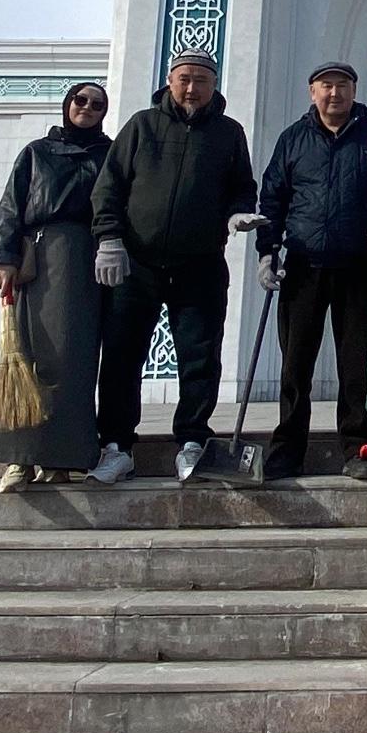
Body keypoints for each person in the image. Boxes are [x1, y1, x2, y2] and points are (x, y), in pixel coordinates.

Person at [90, 52, 264, 486]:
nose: (192, 88)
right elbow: (109, 186)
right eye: (185, 79)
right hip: (137, 262)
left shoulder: (228, 134)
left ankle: (192, 441)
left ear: (214, 85)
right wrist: (109, 238)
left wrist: (238, 214)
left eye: (201, 80)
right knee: (122, 356)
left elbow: (243, 186)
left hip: (200, 263)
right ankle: (116, 446)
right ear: (170, 81)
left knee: (200, 356)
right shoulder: (141, 127)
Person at [256, 60, 367, 482]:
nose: (334, 94)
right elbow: (272, 198)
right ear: (312, 92)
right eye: (326, 86)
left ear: (353, 91)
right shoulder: (294, 140)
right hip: (303, 266)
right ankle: (288, 450)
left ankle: (359, 447)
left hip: (357, 267)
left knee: (357, 364)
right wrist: (266, 252)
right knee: (295, 363)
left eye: (342, 86)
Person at [0, 81, 113, 492]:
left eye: (96, 104)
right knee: (31, 356)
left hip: (88, 260)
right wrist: (3, 257)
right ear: (67, 104)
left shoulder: (109, 154)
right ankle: (20, 457)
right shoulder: (38, 152)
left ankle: (60, 457)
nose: (87, 108)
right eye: (80, 101)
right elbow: (12, 204)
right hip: (42, 258)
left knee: (74, 364)